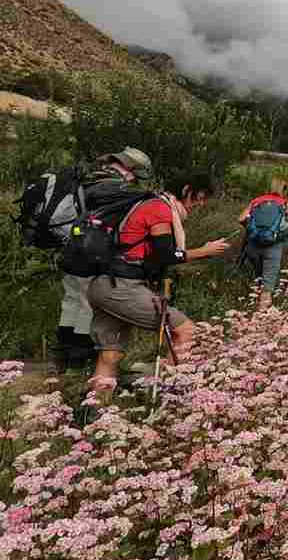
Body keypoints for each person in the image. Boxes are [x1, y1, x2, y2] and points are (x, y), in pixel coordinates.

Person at [80, 171, 230, 421]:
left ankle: (94, 416)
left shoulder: (147, 204)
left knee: (110, 354)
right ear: (186, 190)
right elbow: (165, 255)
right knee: (186, 330)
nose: (200, 204)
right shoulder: (159, 209)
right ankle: (167, 403)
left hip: (104, 284)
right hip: (123, 286)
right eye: (199, 198)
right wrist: (204, 251)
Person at [57, 147, 154, 374]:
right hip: (90, 254)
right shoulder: (110, 184)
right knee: (84, 306)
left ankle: (61, 361)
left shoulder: (92, 176)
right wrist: (151, 197)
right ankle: (78, 364)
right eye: (135, 176)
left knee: (71, 303)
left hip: (74, 248)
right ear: (130, 168)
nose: (134, 181)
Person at [238, 177, 288, 308]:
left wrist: (253, 231)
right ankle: (260, 319)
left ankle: (250, 311)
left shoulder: (257, 201)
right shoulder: (285, 204)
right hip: (273, 247)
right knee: (267, 287)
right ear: (284, 190)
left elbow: (240, 219)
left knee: (258, 278)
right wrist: (284, 234)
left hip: (253, 246)